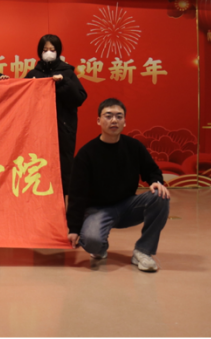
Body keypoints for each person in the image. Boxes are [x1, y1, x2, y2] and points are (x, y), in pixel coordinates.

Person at [66, 98, 170, 272]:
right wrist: (74, 228)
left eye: (118, 116)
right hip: (97, 210)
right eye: (108, 116)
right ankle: (100, 246)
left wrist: (156, 182)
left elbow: (152, 170)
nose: (114, 120)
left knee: (160, 195)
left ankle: (143, 251)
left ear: (124, 121)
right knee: (92, 242)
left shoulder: (134, 147)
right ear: (99, 120)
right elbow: (77, 194)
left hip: (127, 206)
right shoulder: (86, 154)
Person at [25, 34, 87, 197]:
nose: (48, 52)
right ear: (40, 51)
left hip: (62, 128)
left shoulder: (67, 73)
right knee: (37, 162)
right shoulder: (33, 74)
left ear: (58, 51)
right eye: (45, 49)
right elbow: (22, 100)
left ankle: (62, 202)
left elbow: (79, 98)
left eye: (52, 49)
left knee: (63, 164)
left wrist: (64, 83)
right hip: (38, 129)